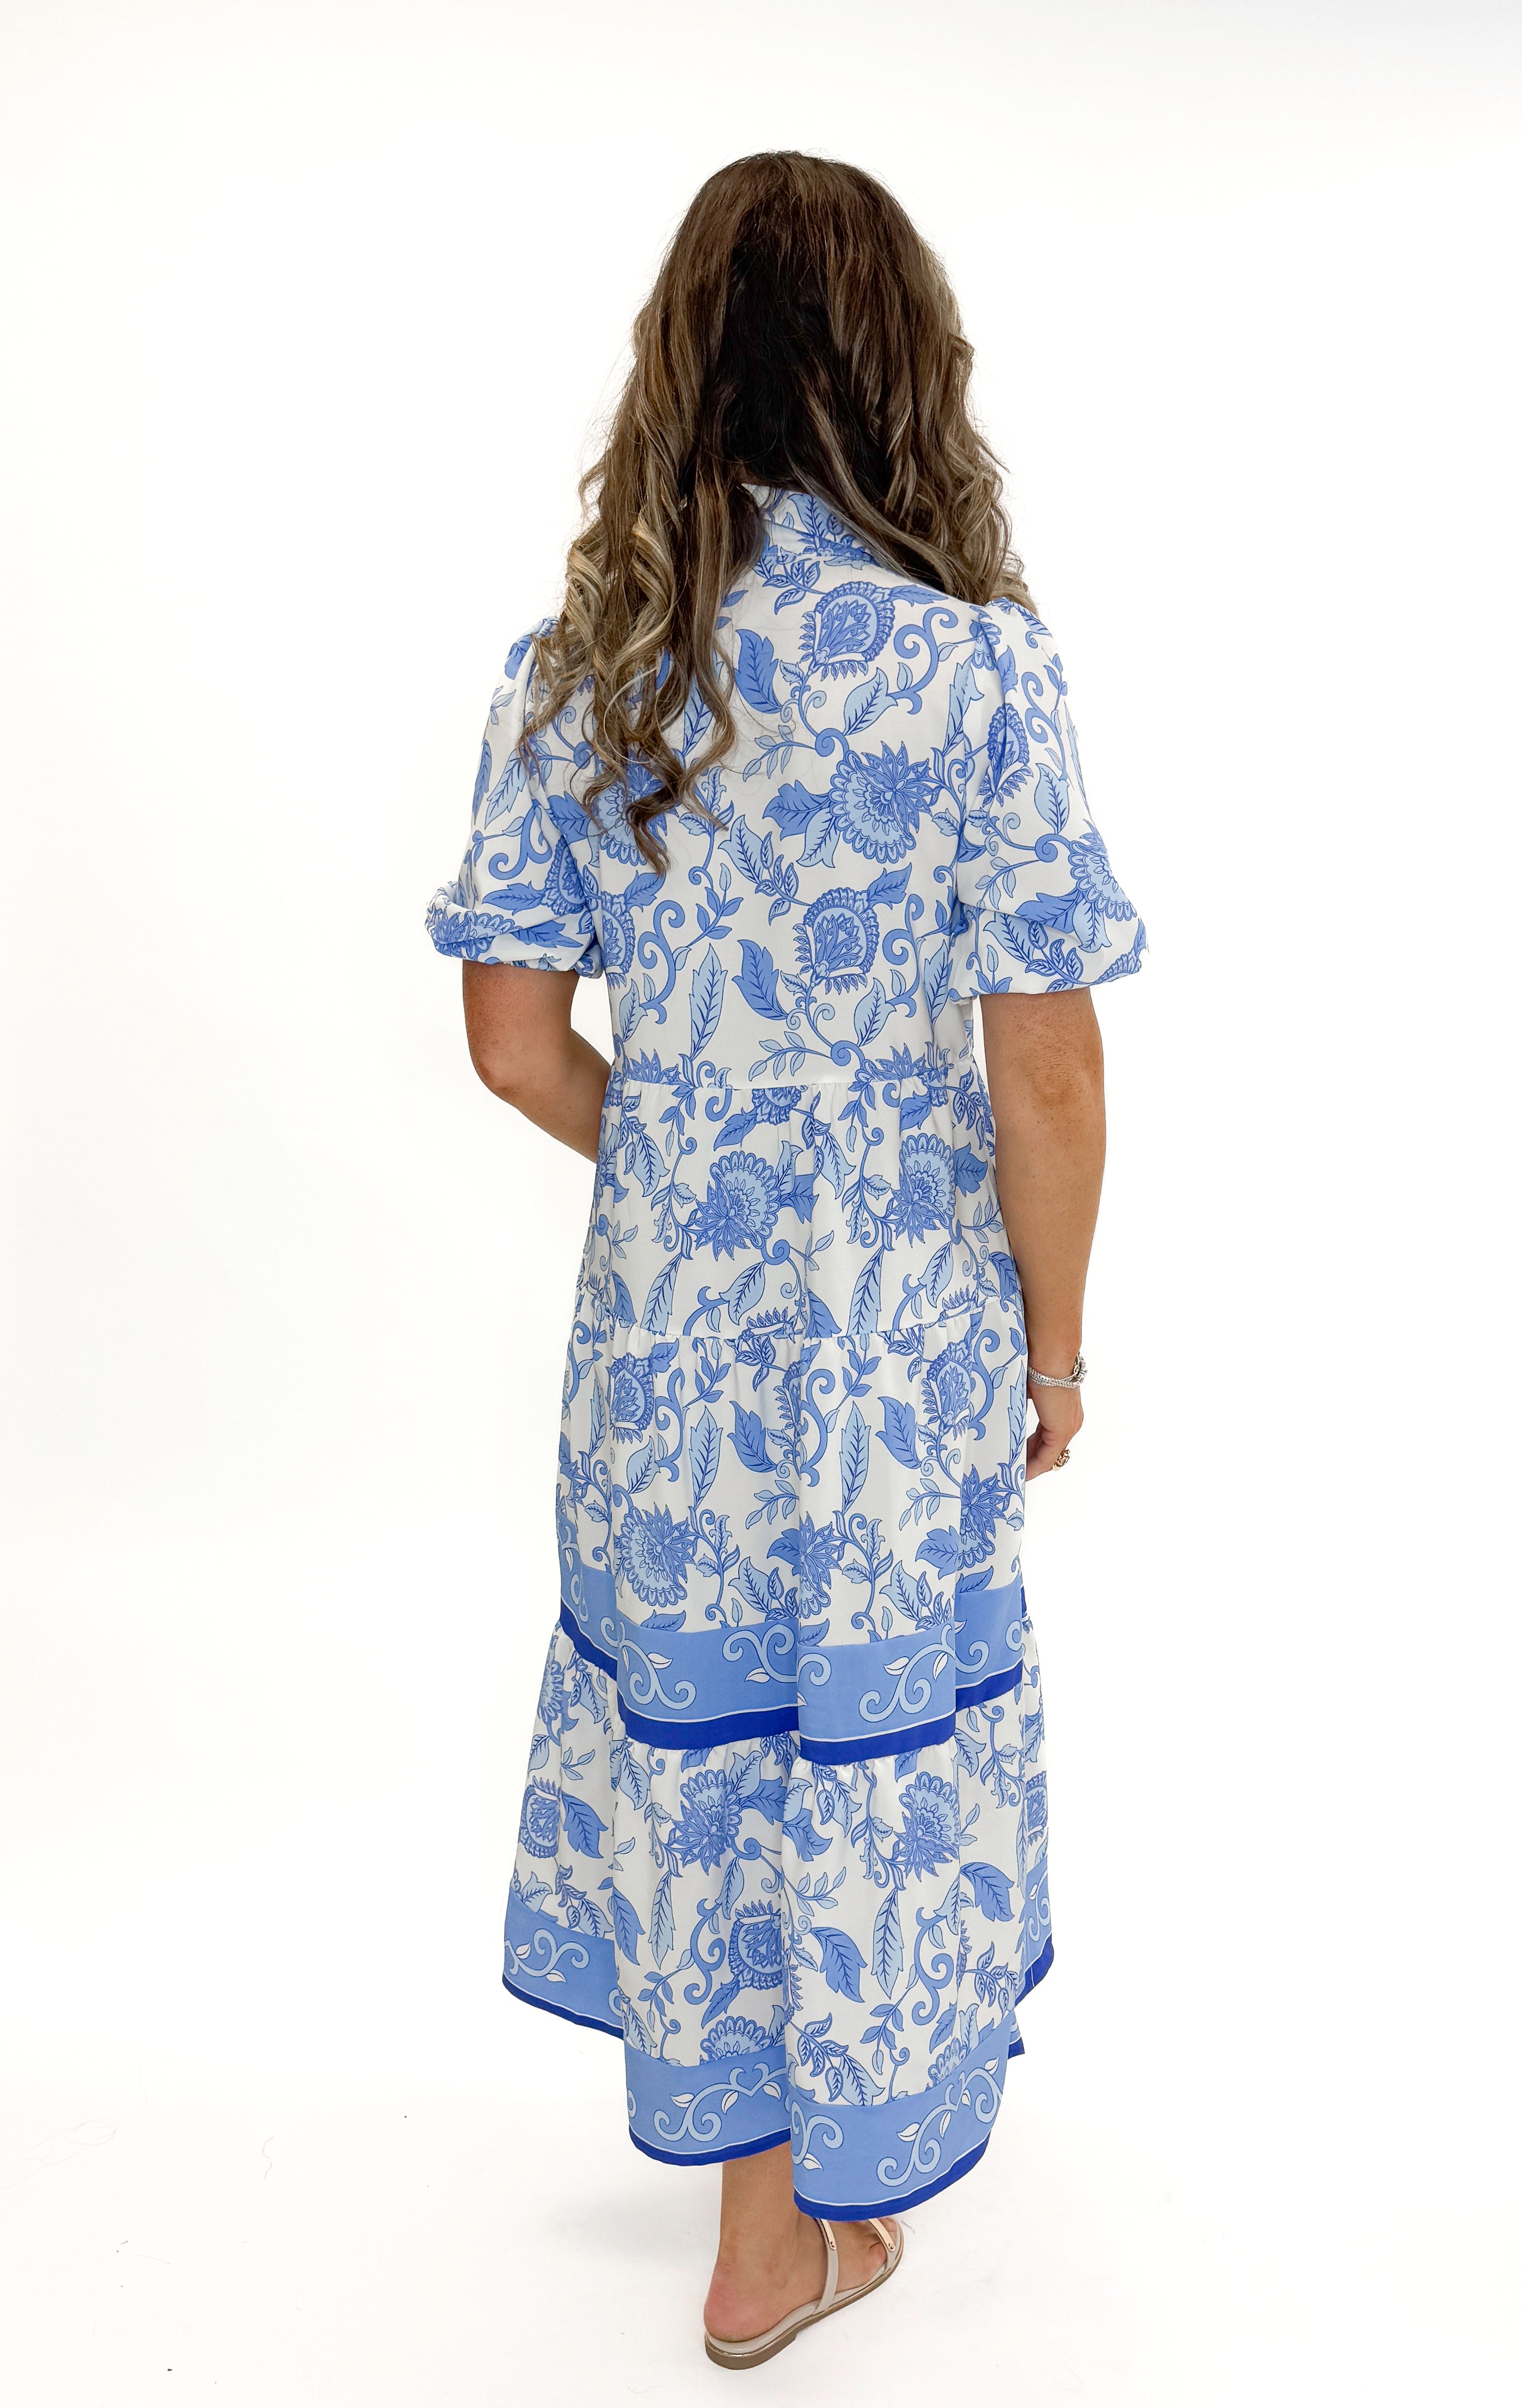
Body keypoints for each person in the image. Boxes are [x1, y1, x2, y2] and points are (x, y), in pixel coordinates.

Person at [427, 150, 1145, 2371]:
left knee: (717, 1719)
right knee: (860, 1724)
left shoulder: (583, 670)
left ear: (683, 372)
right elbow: (1046, 1078)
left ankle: (767, 2206)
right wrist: (1056, 1339)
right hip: (907, 1325)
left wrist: (698, 1162)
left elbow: (512, 1038)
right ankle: (790, 2229)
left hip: (666, 1343)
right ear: (899, 372)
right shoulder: (974, 676)